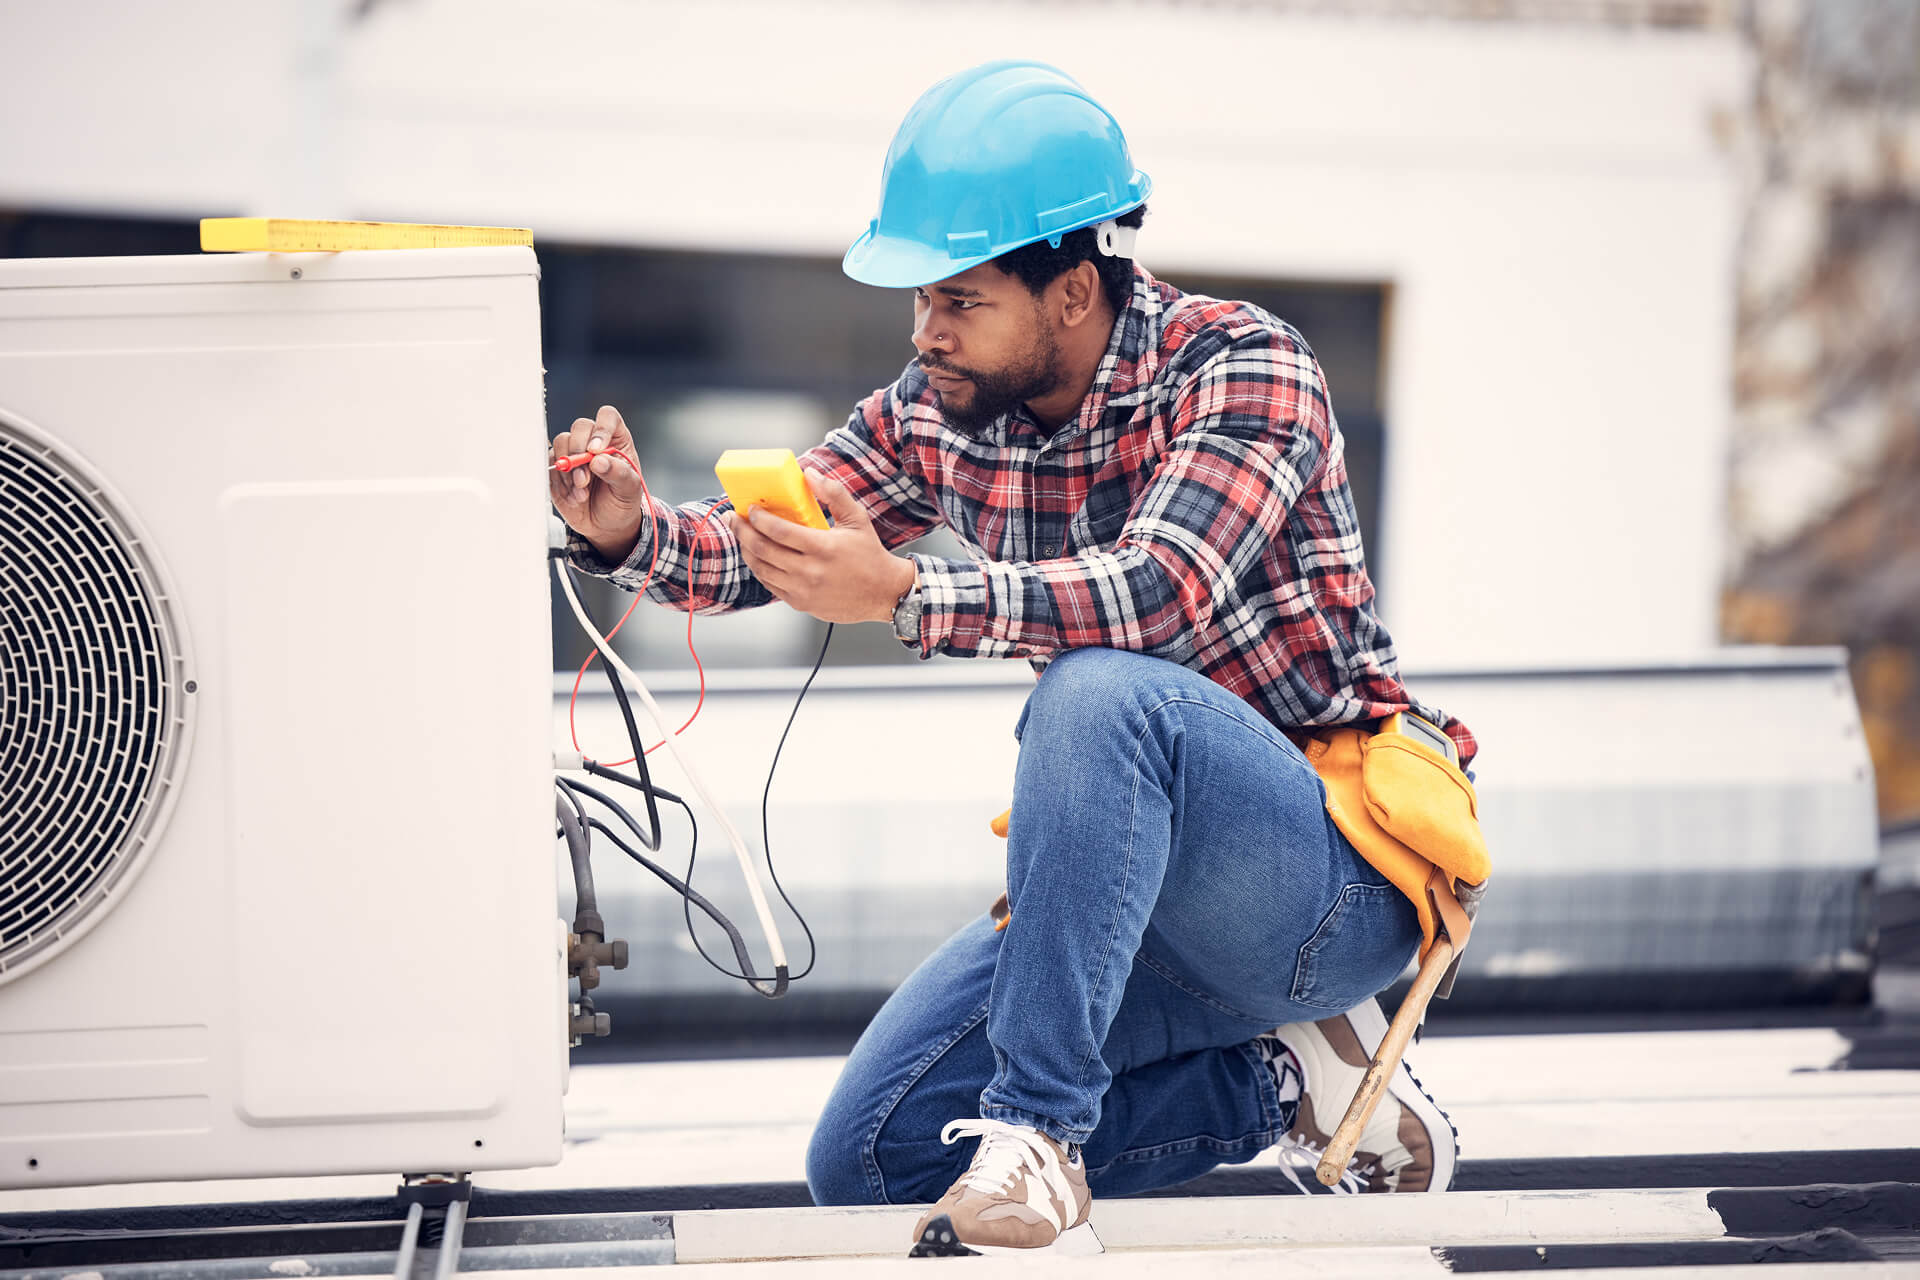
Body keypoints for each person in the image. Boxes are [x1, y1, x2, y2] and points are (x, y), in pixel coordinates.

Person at [553, 59, 1476, 1258]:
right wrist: (629, 528)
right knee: (869, 1157)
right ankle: (1290, 1083)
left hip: (1322, 880)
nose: (925, 334)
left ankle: (1039, 1147)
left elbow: (1155, 595)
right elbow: (778, 546)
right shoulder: (939, 405)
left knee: (1100, 693)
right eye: (917, 302)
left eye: (959, 300)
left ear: (1075, 289)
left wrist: (910, 594)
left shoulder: (1244, 368)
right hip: (1136, 912)